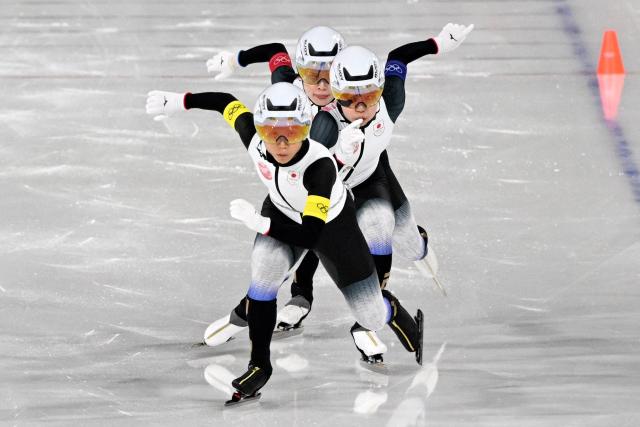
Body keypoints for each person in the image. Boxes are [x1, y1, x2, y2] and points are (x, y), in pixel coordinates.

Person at [202, 23, 473, 365]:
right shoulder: (293, 99)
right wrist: (235, 59)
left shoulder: (372, 97)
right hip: (327, 185)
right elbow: (275, 54)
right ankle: (300, 301)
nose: (321, 84)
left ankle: (402, 267)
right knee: (303, 237)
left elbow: (397, 62)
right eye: (310, 74)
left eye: (328, 74)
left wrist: (437, 44)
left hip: (369, 176)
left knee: (394, 235)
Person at [145, 82, 423, 401]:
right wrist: (179, 101)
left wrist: (260, 223)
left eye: (290, 132)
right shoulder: (254, 140)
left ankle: (397, 313)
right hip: (281, 213)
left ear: (305, 128)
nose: (280, 142)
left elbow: (310, 236)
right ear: (259, 128)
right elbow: (227, 102)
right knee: (265, 274)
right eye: (270, 131)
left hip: (331, 228)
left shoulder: (317, 167)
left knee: (370, 316)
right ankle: (260, 366)